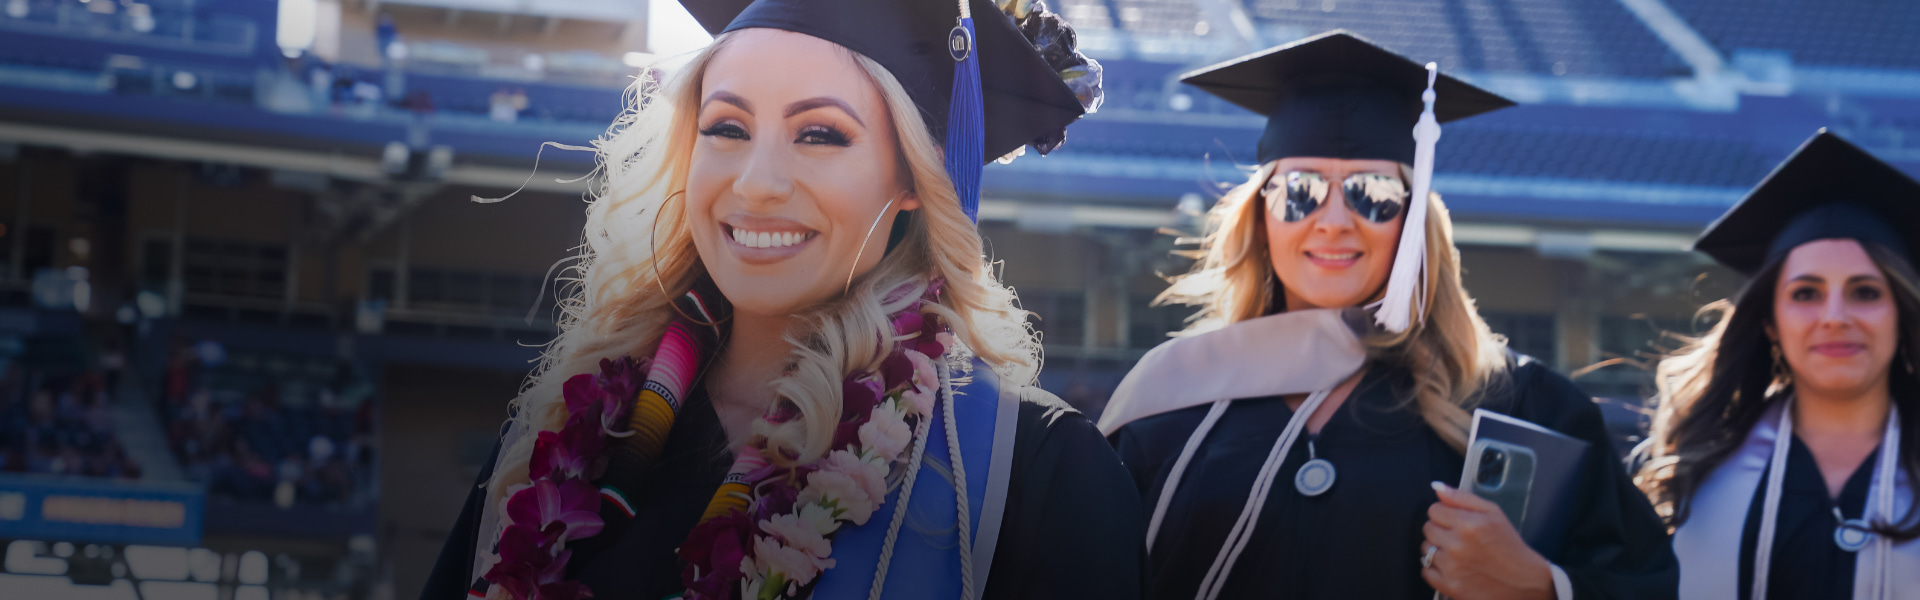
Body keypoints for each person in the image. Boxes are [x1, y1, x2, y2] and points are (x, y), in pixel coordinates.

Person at [420, 1, 1141, 599]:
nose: (757, 182)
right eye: (727, 128)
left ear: (917, 177)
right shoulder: (562, 430)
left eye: (820, 135)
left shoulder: (1029, 476)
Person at [1100, 31, 1678, 600]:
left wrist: (1541, 588)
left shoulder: (1523, 408)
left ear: (1414, 222)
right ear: (1259, 216)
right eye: (1298, 191)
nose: (1332, 221)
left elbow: (1647, 585)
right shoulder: (1171, 400)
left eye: (1372, 193)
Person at [1638, 130, 1920, 599]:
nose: (1835, 318)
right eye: (1806, 293)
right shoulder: (1693, 469)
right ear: (1770, 321)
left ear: (1901, 314)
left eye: (1865, 292)